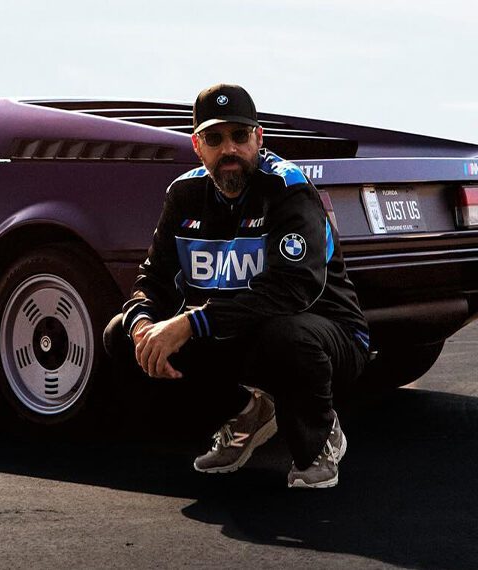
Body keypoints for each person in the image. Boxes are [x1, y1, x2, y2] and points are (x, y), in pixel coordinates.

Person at [103, 84, 371, 488]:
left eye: (239, 136)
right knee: (122, 336)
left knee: (286, 334)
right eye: (215, 138)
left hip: (326, 334)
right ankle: (246, 412)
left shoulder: (288, 189)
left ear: (258, 138)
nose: (229, 149)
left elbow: (292, 290)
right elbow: (152, 280)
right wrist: (143, 325)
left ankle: (319, 439)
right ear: (198, 145)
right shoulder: (184, 194)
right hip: (236, 331)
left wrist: (191, 323)